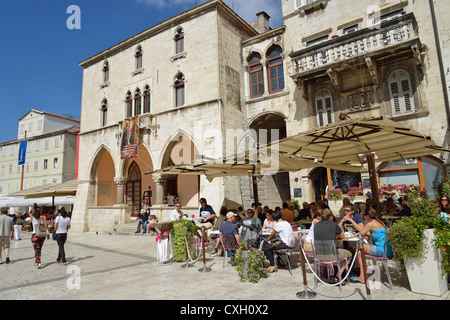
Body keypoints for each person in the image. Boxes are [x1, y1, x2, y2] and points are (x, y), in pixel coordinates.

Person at [344, 208, 393, 284]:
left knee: (357, 246)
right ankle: (359, 272)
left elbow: (360, 235)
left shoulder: (370, 224)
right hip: (387, 250)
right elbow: (369, 233)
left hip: (381, 250)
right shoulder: (379, 223)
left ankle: (357, 269)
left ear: (367, 216)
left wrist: (352, 234)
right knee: (360, 251)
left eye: (364, 216)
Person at [314, 209, 352, 283]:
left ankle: (330, 274)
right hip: (332, 256)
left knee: (332, 251)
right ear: (330, 217)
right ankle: (338, 276)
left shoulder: (316, 225)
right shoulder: (334, 225)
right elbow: (342, 235)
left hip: (319, 256)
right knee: (349, 254)